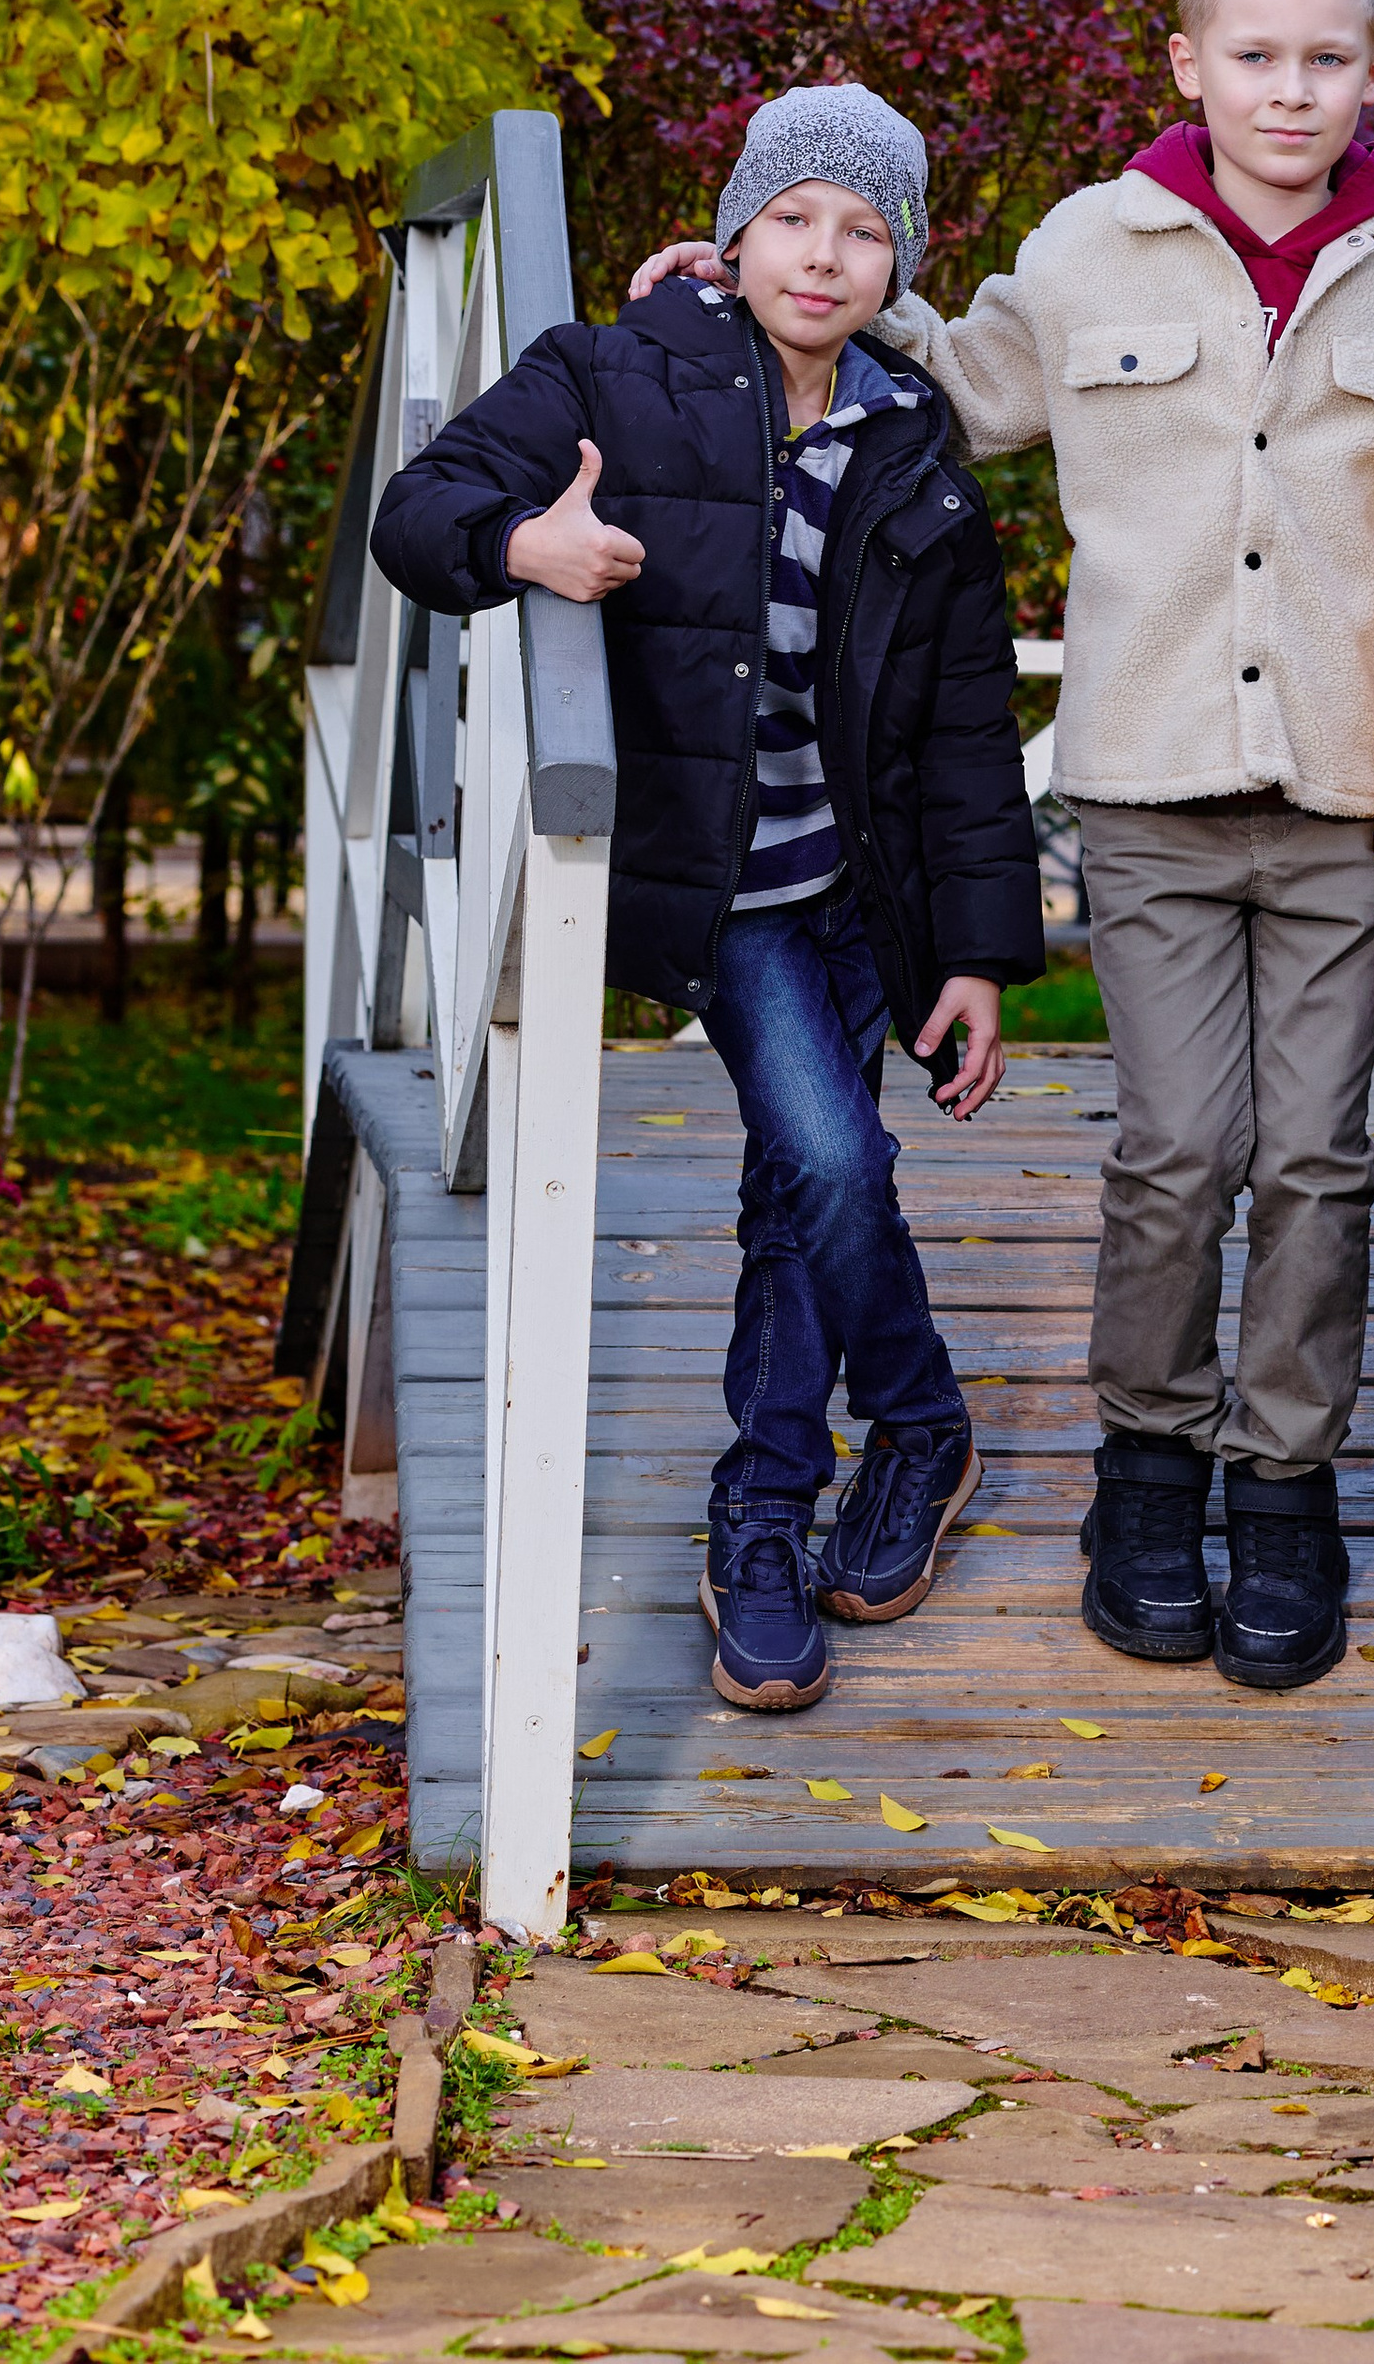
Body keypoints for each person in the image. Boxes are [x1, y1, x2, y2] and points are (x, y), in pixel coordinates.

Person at [628, 0, 1374, 1691]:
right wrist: (752, 279)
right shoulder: (1092, 245)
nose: (1288, 90)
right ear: (1189, 62)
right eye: (1253, 55)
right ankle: (1149, 1471)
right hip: (1151, 790)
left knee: (1318, 1158)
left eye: (1325, 59)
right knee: (1178, 1151)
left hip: (1349, 797)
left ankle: (1285, 1488)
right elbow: (944, 369)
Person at [373, 86, 1044, 1717]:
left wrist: (976, 953)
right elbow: (415, 515)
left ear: (901, 268)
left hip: (867, 887)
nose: (824, 255)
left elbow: (966, 722)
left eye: (865, 230)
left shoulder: (911, 440)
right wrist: (528, 546)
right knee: (832, 1162)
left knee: (798, 1197)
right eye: (793, 217)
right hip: (736, 888)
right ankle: (906, 1421)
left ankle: (773, 1512)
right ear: (735, 233)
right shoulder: (612, 374)